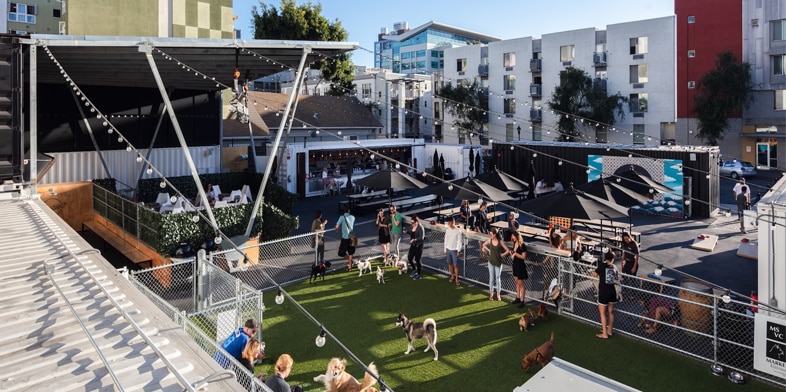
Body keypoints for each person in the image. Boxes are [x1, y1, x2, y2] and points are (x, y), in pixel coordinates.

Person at [592, 252, 618, 339]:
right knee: (611, 312)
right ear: (612, 259)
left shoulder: (602, 265)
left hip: (603, 291)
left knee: (602, 313)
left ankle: (604, 333)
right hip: (612, 291)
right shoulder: (614, 267)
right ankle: (609, 330)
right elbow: (617, 278)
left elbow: (595, 274)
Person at [482, 227, 510, 301]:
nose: (490, 235)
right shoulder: (490, 240)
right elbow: (484, 245)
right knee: (491, 278)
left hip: (498, 262)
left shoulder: (500, 241)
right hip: (491, 261)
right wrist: (489, 250)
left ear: (495, 234)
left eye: (491, 234)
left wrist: (501, 255)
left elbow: (507, 250)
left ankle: (498, 294)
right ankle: (491, 293)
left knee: (498, 278)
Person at [510, 230, 529, 308]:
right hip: (515, 264)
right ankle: (517, 297)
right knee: (516, 281)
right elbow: (514, 253)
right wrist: (513, 254)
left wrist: (515, 254)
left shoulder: (522, 245)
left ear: (517, 236)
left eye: (513, 236)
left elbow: (523, 257)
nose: (512, 237)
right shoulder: (515, 243)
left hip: (520, 265)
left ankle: (522, 301)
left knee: (521, 284)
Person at [335, 206, 356, 271]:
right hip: (351, 237)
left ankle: (350, 261)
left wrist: (337, 229)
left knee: (341, 252)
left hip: (345, 238)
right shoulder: (353, 217)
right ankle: (350, 266)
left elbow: (336, 226)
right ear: (349, 210)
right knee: (351, 252)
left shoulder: (342, 217)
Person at [444, 217, 463, 286]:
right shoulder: (448, 230)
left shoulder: (458, 231)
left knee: (455, 265)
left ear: (453, 222)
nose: (449, 223)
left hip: (454, 250)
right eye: (448, 222)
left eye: (450, 222)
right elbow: (446, 240)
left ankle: (457, 279)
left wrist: (458, 250)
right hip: (448, 249)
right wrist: (445, 249)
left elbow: (459, 241)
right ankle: (452, 276)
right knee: (449, 264)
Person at [408, 215, 426, 280]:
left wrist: (414, 239)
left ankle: (419, 274)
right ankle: (414, 270)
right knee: (409, 258)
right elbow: (411, 233)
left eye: (413, 222)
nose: (412, 224)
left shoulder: (420, 227)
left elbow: (421, 237)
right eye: (411, 223)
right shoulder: (413, 226)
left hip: (418, 246)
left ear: (416, 222)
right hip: (413, 245)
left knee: (417, 260)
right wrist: (406, 231)